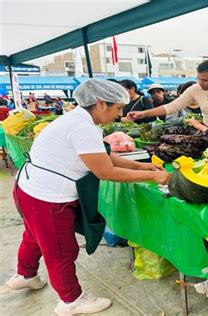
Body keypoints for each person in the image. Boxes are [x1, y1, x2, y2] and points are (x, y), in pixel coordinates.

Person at [6, 79, 171, 315]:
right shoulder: (82, 128)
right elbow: (104, 171)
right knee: (61, 250)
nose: (120, 114)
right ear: (101, 103)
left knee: (34, 236)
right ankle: (71, 300)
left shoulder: (78, 120)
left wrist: (143, 168)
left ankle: (25, 274)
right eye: (117, 108)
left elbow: (105, 157)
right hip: (48, 198)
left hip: (30, 189)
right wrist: (152, 178)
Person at [127, 60, 208, 125]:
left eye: (204, 80)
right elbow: (173, 106)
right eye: (198, 78)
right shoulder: (195, 89)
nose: (200, 82)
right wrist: (144, 113)